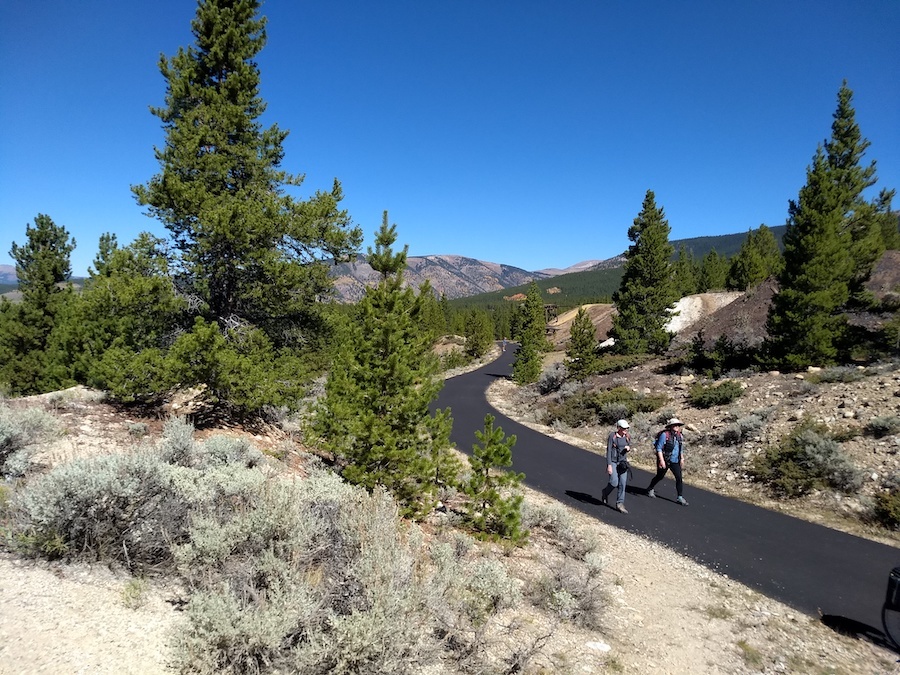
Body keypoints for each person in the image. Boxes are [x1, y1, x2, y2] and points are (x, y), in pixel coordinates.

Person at [646, 417, 689, 505]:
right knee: (660, 476)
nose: (677, 427)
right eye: (675, 425)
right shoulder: (665, 435)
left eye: (678, 425)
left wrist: (682, 458)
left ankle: (680, 497)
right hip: (665, 459)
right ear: (671, 426)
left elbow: (680, 448)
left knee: (679, 478)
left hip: (675, 460)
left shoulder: (680, 436)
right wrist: (661, 461)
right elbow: (659, 448)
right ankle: (650, 488)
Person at [601, 419, 631, 513]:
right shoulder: (612, 436)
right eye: (624, 428)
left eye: (627, 428)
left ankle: (620, 504)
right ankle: (605, 492)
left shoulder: (627, 436)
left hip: (622, 462)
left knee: (622, 483)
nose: (626, 430)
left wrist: (628, 448)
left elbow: (629, 445)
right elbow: (609, 451)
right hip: (613, 461)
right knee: (614, 482)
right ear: (618, 428)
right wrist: (609, 465)